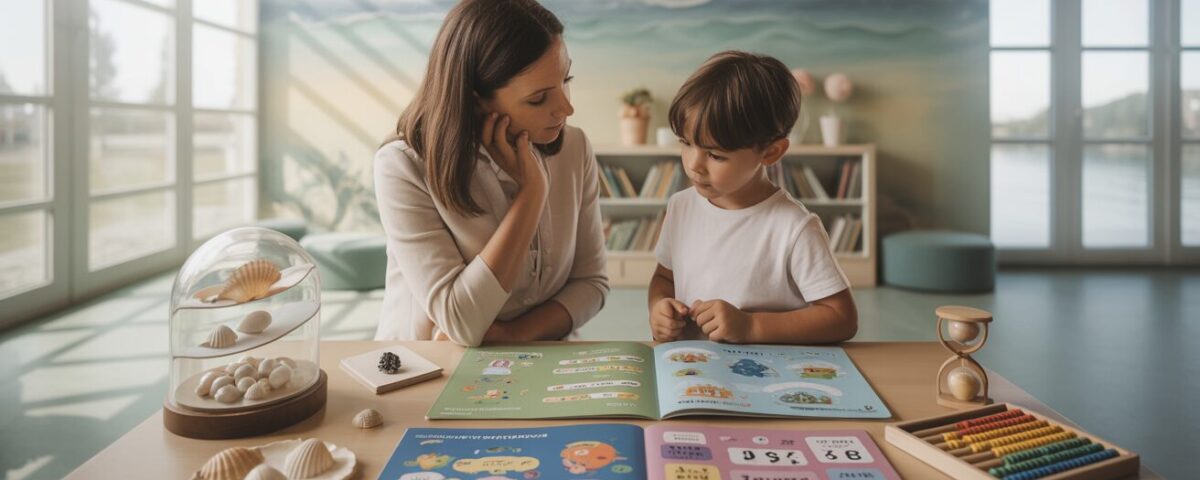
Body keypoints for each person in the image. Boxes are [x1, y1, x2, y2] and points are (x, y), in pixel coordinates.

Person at [373, 0, 608, 346]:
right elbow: (461, 322)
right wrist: (532, 195)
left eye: (565, 79)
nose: (566, 108)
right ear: (476, 100)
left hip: (542, 360)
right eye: (539, 98)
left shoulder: (574, 148)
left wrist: (515, 334)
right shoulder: (402, 166)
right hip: (426, 368)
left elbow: (591, 283)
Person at [648, 51, 858, 345]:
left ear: (771, 152)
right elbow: (665, 279)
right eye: (686, 143)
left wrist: (751, 327)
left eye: (715, 154)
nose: (693, 164)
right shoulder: (681, 207)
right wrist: (659, 308)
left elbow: (841, 318)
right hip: (692, 373)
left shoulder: (794, 227)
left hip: (764, 379)